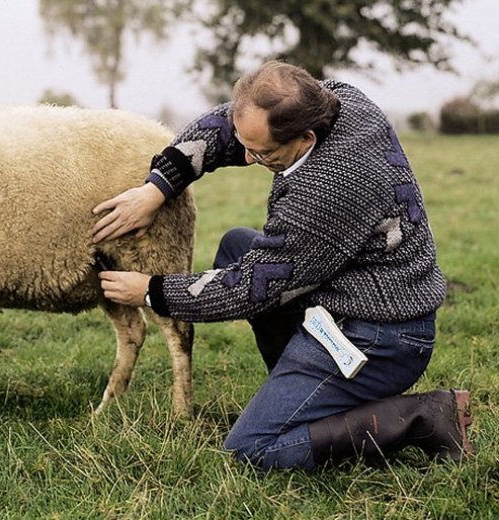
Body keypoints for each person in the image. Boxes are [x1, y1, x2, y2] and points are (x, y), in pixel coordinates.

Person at [93, 61, 473, 470]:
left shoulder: (327, 190)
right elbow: (225, 125)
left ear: (306, 137)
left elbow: (252, 286)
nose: (252, 160)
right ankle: (306, 392)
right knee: (237, 244)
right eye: (248, 146)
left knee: (252, 446)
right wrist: (158, 186)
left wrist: (151, 291)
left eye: (265, 152)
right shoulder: (340, 99)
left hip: (381, 337)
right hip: (348, 294)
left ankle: (423, 418)